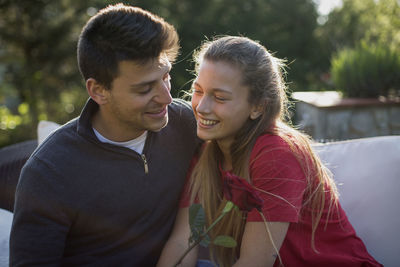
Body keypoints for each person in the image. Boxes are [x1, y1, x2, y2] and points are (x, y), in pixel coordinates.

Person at [157, 36, 382, 267]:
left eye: (220, 97)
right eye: (198, 90)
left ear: (258, 107)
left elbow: (255, 262)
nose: (202, 107)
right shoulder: (206, 153)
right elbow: (182, 242)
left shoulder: (276, 154)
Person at [10, 3, 200, 266]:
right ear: (99, 91)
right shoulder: (49, 172)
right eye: (145, 89)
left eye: (165, 76)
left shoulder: (185, 124)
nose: (167, 97)